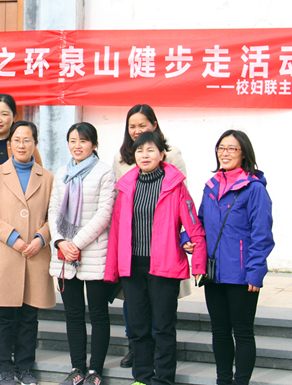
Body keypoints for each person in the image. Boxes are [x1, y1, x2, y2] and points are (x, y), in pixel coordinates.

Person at [105, 131, 207, 385]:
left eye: (150, 150)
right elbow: (116, 230)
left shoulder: (175, 186)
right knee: (138, 327)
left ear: (162, 154)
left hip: (164, 266)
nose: (144, 155)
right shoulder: (127, 186)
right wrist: (112, 270)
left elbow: (193, 225)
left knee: (163, 328)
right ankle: (142, 377)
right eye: (140, 151)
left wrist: (199, 263)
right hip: (133, 267)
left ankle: (164, 379)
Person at [112, 104, 188, 368]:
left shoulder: (171, 155)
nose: (136, 131)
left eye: (142, 125)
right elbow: (118, 206)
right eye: (132, 126)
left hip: (163, 250)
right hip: (133, 251)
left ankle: (160, 362)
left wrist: (185, 238)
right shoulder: (121, 158)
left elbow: (183, 201)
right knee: (134, 307)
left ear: (154, 126)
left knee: (162, 313)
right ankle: (137, 353)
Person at [0, 121, 55, 385]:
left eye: (27, 140)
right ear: (10, 144)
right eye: (17, 140)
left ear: (35, 144)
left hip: (35, 254)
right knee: (1, 316)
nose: (22, 145)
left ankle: (25, 367)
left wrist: (41, 238)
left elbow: (54, 216)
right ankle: (5, 368)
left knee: (28, 316)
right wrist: (13, 238)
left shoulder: (47, 178)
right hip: (5, 253)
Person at [198, 130, 274, 385]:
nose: (225, 153)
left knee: (242, 333)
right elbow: (200, 223)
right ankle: (223, 381)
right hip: (213, 272)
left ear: (244, 154)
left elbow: (262, 234)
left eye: (232, 148)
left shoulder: (254, 189)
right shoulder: (211, 186)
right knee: (219, 331)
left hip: (242, 274)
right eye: (221, 148)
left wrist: (255, 271)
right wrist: (187, 239)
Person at [0, 93, 41, 356]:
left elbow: (39, 188)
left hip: (20, 231)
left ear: (14, 116)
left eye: (4, 113)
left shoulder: (25, 145)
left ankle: (15, 335)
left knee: (18, 279)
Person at [48, 123, 116, 385]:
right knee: (73, 315)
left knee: (98, 314)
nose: (77, 146)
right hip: (65, 255)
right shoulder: (62, 172)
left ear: (94, 144)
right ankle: (77, 367)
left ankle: (95, 370)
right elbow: (53, 211)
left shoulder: (104, 172)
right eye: (73, 140)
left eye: (84, 141)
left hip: (94, 253)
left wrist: (75, 243)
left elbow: (104, 215)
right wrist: (60, 242)